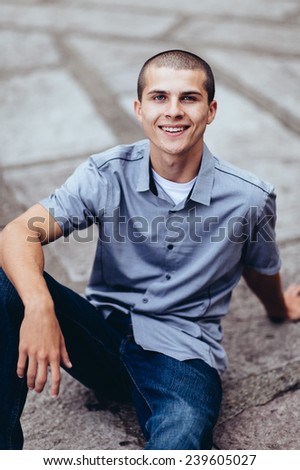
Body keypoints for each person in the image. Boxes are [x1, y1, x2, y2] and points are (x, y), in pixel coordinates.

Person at [0, 49, 300, 451]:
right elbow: (19, 232)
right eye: (160, 97)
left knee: (182, 441)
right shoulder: (106, 175)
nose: (173, 111)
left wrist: (279, 306)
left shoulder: (249, 198)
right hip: (100, 335)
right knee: (7, 282)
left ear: (211, 111)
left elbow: (259, 265)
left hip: (180, 354)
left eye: (188, 98)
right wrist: (39, 307)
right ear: (140, 109)